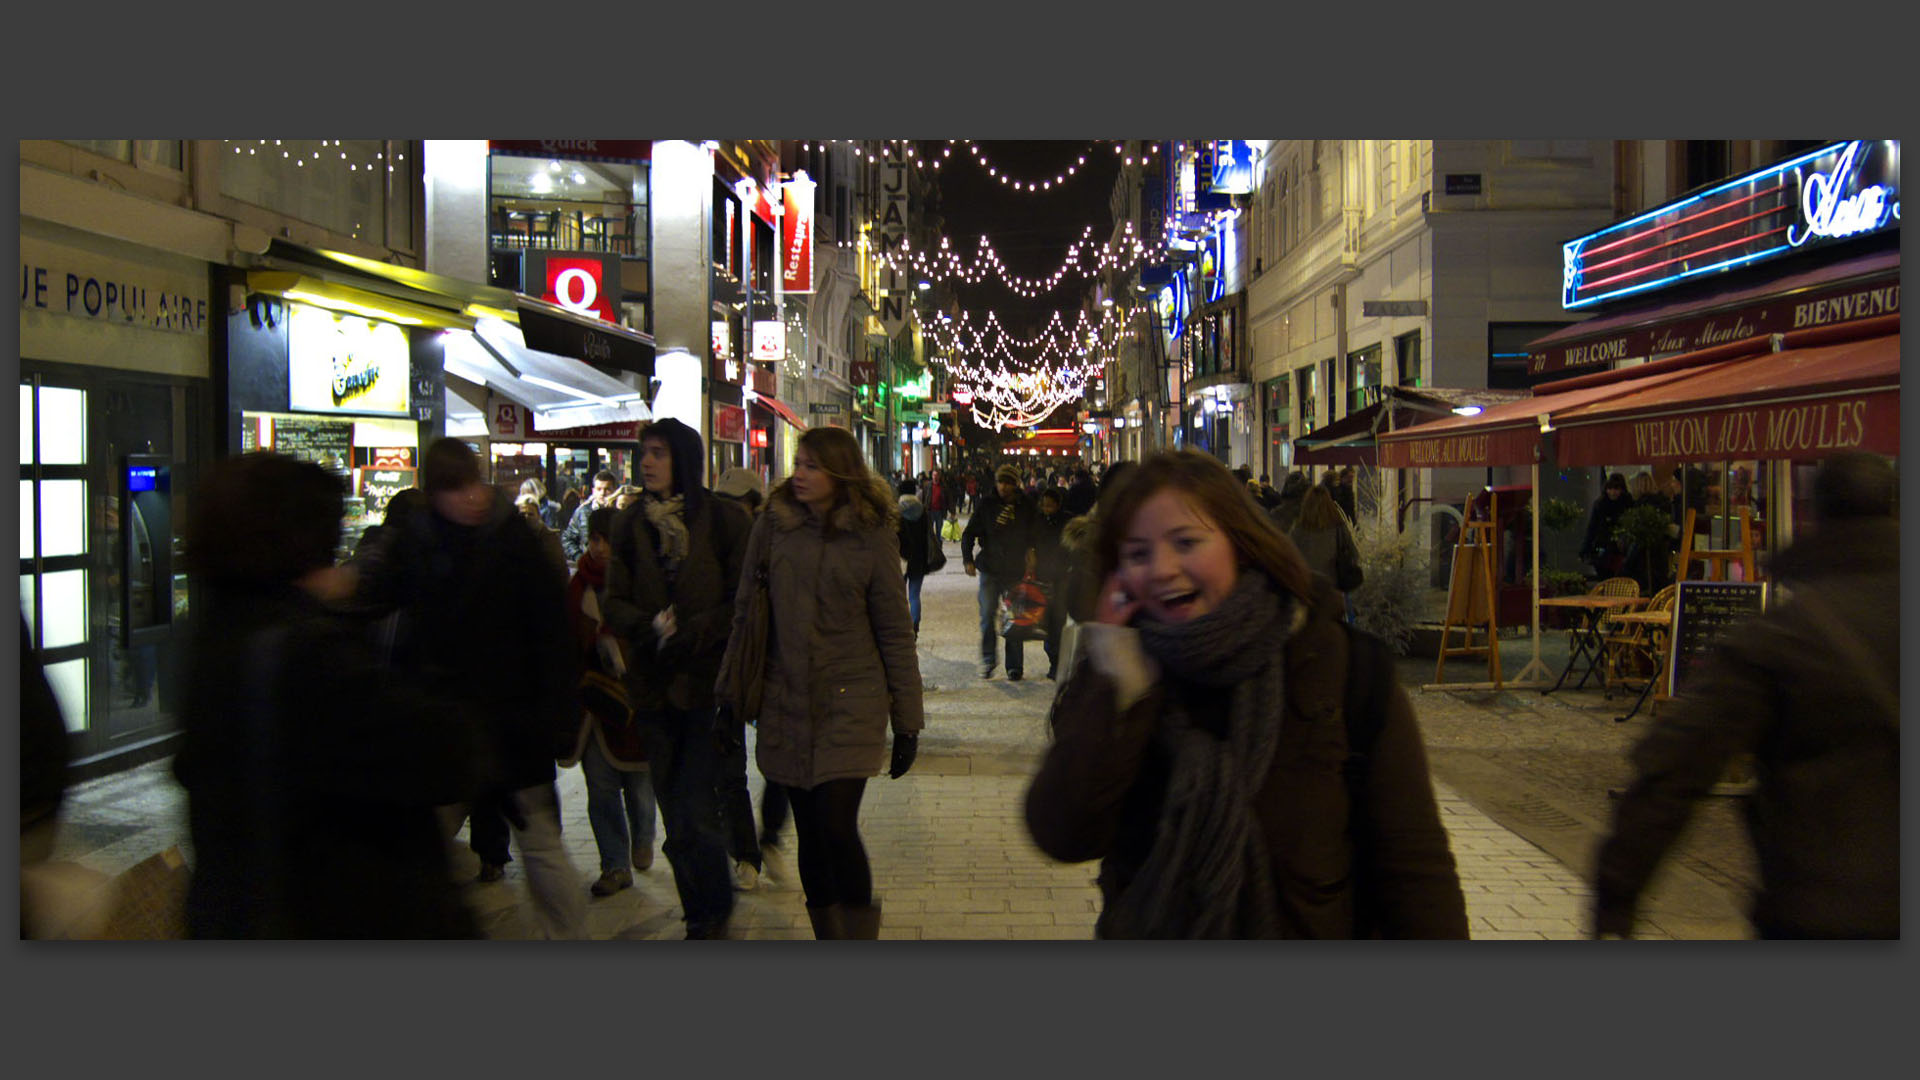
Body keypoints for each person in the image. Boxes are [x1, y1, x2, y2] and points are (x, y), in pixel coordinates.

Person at [1023, 450, 1468, 939]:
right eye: (1138, 553)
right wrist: (1115, 680)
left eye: (1186, 541)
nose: (1162, 568)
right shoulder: (1119, 672)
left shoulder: (1344, 668)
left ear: (1239, 542)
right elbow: (1062, 831)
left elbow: (1414, 868)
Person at [1593, 452, 1898, 939]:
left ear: (1818, 513)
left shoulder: (1788, 635)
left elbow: (1676, 766)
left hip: (1825, 912)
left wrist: (1617, 897)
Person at [174, 453, 479, 938]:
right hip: (333, 910)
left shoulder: (219, 633)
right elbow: (445, 751)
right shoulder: (306, 650)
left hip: (241, 910)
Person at [351, 437, 586, 939]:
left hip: (514, 727)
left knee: (542, 847)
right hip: (446, 730)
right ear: (434, 494)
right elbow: (376, 603)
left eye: (471, 483)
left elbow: (552, 636)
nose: (469, 497)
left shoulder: (515, 543)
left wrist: (559, 718)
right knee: (426, 842)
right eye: (454, 489)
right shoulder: (418, 546)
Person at [715, 426, 924, 939]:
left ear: (839, 472)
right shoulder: (771, 527)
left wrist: (908, 723)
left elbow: (895, 631)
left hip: (852, 699)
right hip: (785, 699)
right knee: (809, 830)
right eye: (798, 464)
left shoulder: (871, 534)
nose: (799, 475)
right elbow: (745, 614)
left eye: (811, 466)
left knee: (835, 825)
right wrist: (729, 692)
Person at [599, 419, 753, 938]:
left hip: (706, 685)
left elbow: (744, 601)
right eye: (645, 453)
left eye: (658, 453)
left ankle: (712, 915)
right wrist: (646, 627)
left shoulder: (724, 520)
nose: (647, 462)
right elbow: (612, 600)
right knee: (674, 812)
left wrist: (696, 630)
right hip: (652, 686)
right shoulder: (629, 524)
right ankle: (699, 913)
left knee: (695, 807)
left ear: (682, 459)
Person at [561, 507, 658, 898]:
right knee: (600, 788)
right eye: (593, 539)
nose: (597, 547)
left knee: (639, 785)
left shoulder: (641, 584)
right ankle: (614, 865)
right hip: (591, 708)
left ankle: (643, 838)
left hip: (634, 706)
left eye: (604, 539)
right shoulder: (578, 586)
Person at [962, 464, 1039, 681]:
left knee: (1015, 617)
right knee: (987, 614)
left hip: (1015, 570)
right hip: (990, 567)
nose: (1003, 487)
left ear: (1015, 484)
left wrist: (1032, 552)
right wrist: (967, 559)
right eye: (1000, 482)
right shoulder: (987, 504)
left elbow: (1035, 532)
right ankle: (988, 659)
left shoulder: (1026, 506)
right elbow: (969, 533)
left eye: (1008, 483)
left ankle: (1014, 665)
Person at [1289, 485, 1363, 611]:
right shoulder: (1338, 527)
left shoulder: (1298, 529)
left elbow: (1289, 557)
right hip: (1332, 590)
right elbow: (1353, 554)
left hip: (1305, 591)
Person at [1032, 486, 1072, 680]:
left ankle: (1059, 663)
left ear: (1058, 505)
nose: (1047, 509)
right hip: (1042, 578)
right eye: (1044, 505)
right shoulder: (1037, 521)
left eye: (1051, 505)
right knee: (1046, 622)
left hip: (1062, 578)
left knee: (1059, 620)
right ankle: (1053, 659)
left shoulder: (1067, 522)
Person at [897, 478, 938, 637]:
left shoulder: (895, 510)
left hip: (899, 559)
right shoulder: (922, 511)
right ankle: (915, 624)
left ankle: (902, 625)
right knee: (914, 595)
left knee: (898, 595)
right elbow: (927, 536)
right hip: (918, 558)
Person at [1580, 472, 1633, 578]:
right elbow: (1592, 527)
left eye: (1616, 489)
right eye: (1610, 489)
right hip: (1603, 548)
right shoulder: (1600, 504)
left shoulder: (1627, 504)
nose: (1613, 492)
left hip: (1620, 550)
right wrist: (1585, 549)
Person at [562, 469, 619, 562]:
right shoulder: (582, 512)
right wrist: (579, 557)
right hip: (590, 565)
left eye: (607, 489)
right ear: (593, 490)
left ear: (615, 491)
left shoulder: (620, 512)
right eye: (599, 489)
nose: (602, 493)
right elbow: (567, 539)